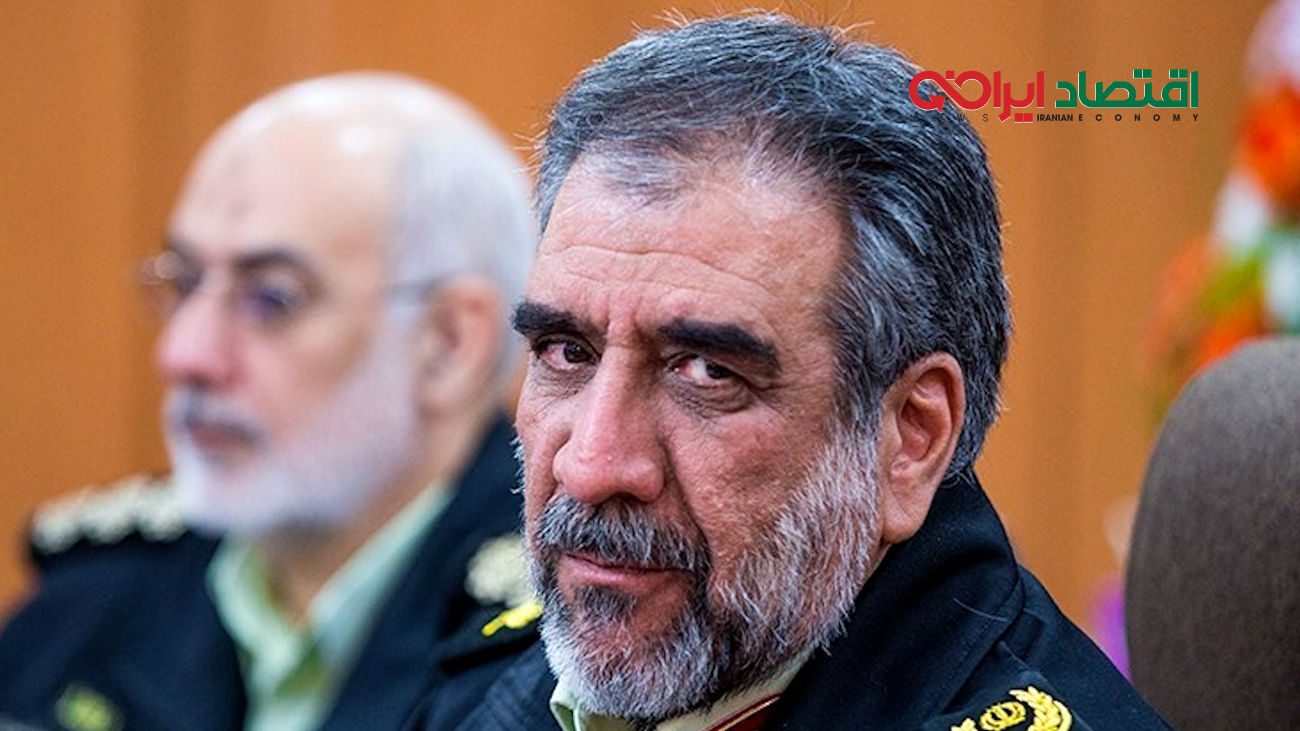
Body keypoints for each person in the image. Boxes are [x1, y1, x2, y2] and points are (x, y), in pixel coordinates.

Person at [446, 15, 1172, 731]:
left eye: (706, 371)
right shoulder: (490, 683)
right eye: (567, 353)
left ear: (910, 436)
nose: (590, 465)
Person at [0, 74, 539, 731]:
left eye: (272, 298)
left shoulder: (552, 656)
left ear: (449, 343)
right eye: (185, 282)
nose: (185, 354)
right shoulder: (90, 603)